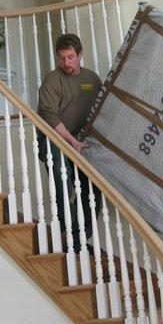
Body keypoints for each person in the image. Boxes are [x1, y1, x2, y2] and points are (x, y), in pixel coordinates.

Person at [37, 33, 102, 252]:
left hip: (82, 140)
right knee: (62, 182)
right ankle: (73, 235)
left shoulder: (92, 80)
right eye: (62, 58)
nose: (66, 63)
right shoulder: (52, 81)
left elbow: (101, 111)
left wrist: (83, 141)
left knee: (92, 189)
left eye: (71, 57)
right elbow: (49, 115)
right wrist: (72, 141)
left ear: (80, 54)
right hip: (54, 138)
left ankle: (80, 238)